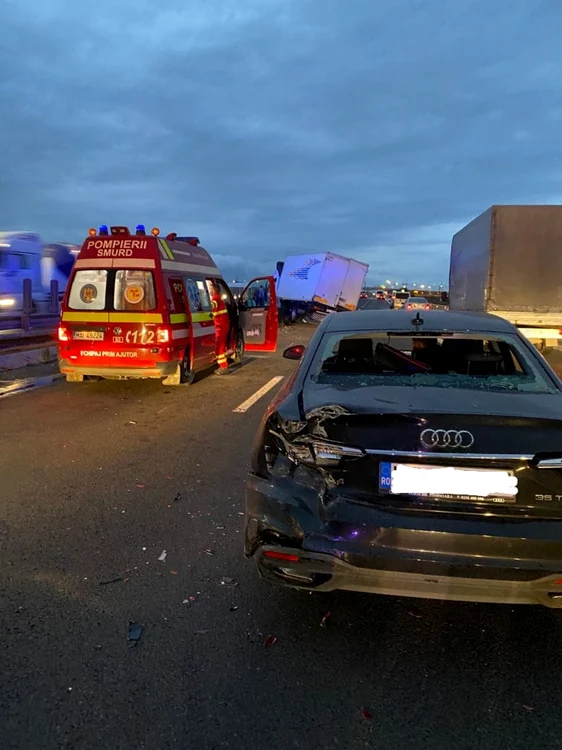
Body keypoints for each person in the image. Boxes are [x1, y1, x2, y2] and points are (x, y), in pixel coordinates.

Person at [208, 280, 230, 375]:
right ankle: (224, 361)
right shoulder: (218, 299)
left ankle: (224, 367)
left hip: (220, 327)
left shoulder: (215, 299)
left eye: (212, 289)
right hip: (222, 326)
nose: (210, 290)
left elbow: (211, 307)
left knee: (219, 348)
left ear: (216, 290)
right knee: (220, 347)